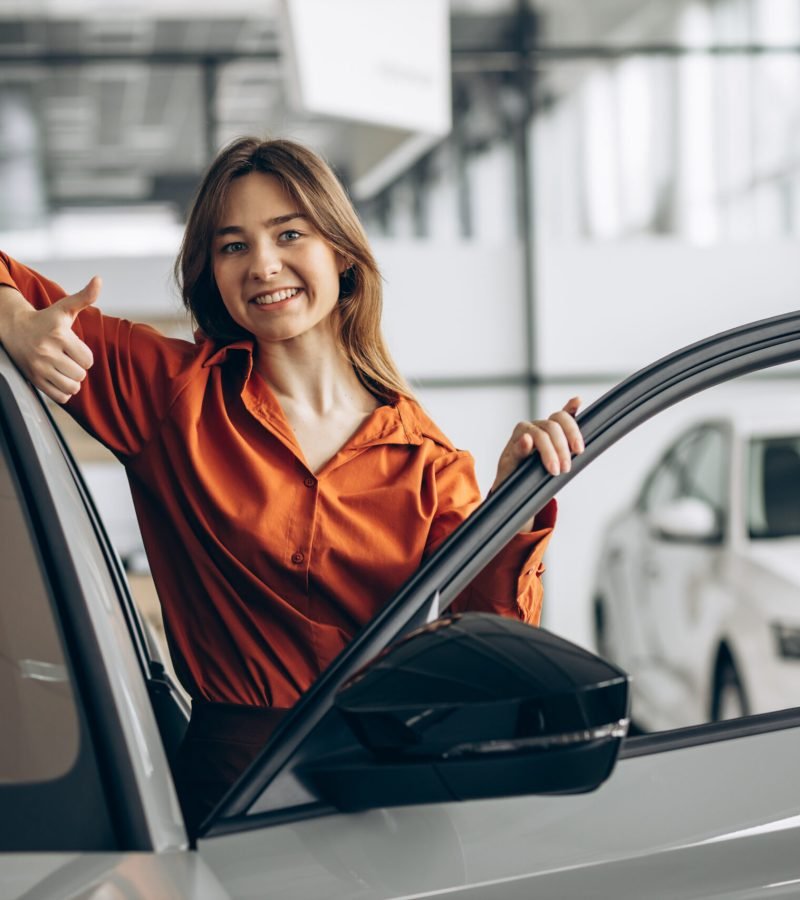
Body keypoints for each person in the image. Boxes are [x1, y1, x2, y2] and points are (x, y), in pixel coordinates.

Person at [0, 137, 583, 832]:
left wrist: (510, 508)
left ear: (341, 252)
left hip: (386, 795)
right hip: (228, 796)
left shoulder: (431, 465)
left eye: (289, 234)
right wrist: (14, 322)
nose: (263, 265)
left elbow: (490, 647)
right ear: (210, 272)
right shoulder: (171, 395)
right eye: (233, 246)